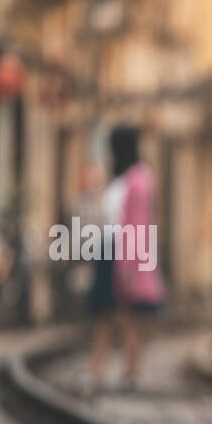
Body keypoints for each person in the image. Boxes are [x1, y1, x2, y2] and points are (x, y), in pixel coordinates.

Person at [85, 125, 162, 392]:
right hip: (110, 249)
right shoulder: (124, 178)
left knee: (125, 316)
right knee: (106, 314)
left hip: (121, 254)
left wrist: (129, 265)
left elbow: (137, 225)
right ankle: (100, 369)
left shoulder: (138, 180)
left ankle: (130, 370)